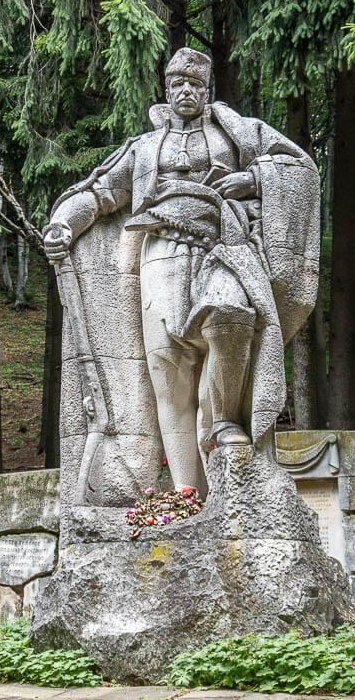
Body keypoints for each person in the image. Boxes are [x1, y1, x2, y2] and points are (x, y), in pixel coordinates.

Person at [44, 47, 319, 501]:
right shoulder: (145, 148)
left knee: (230, 314)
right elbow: (98, 193)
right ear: (167, 91)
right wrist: (63, 224)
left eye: (195, 84)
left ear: (207, 90)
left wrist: (252, 181)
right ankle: (188, 495)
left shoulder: (239, 133)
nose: (186, 91)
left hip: (223, 248)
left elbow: (299, 166)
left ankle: (226, 420)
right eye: (178, 84)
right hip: (161, 255)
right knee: (168, 372)